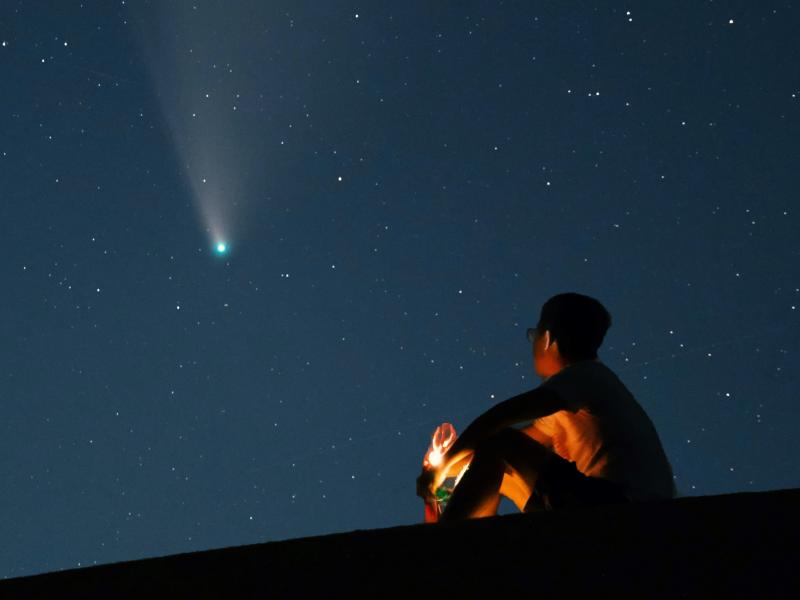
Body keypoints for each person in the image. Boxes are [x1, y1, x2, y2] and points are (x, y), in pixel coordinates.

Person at [417, 292, 676, 520]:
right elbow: (503, 450)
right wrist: (445, 467)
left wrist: (441, 470)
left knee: (500, 443)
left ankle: (447, 539)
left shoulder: (584, 376)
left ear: (548, 338)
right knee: (495, 462)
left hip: (622, 504)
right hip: (604, 499)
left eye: (534, 335)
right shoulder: (581, 392)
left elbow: (499, 420)